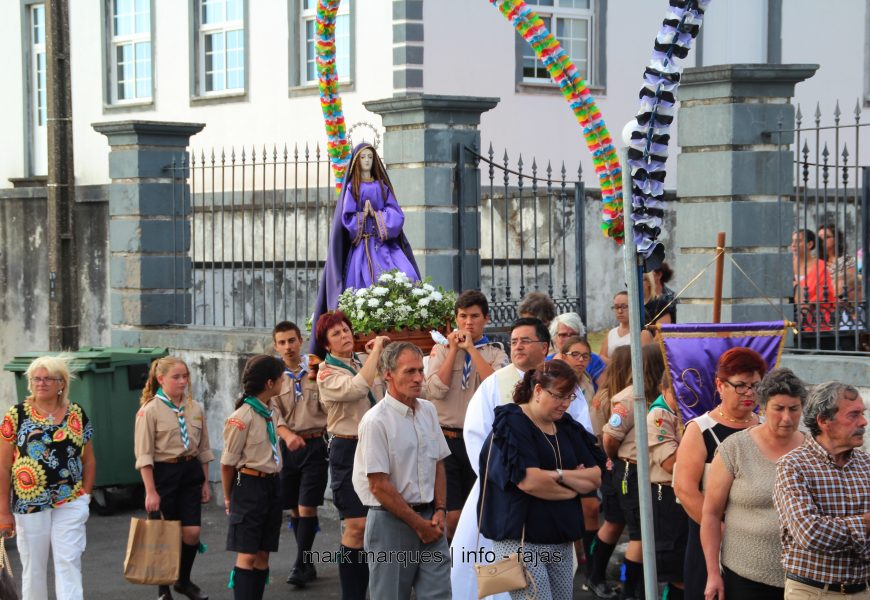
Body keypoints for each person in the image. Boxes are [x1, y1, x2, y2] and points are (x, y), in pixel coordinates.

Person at [451, 317, 593, 600]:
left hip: (554, 498)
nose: (517, 346)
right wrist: (505, 477)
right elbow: (477, 435)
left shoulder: (564, 385)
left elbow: (582, 435)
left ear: (545, 346)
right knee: (496, 571)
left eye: (525, 340)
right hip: (503, 494)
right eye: (513, 341)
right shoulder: (494, 385)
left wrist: (563, 476)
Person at [479, 360, 603, 600]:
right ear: (537, 390)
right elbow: (529, 481)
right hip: (522, 540)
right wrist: (570, 481)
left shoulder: (567, 426)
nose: (565, 404)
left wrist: (556, 476)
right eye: (559, 396)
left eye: (570, 397)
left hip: (560, 537)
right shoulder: (512, 423)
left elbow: (596, 476)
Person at [353, 342, 452, 599]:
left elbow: (438, 462)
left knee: (439, 595)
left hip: (431, 519)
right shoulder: (376, 421)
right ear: (388, 374)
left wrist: (440, 509)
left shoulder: (428, 410)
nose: (419, 378)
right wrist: (419, 524)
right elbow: (379, 486)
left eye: (421, 370)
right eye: (410, 371)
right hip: (390, 524)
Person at [701, 368, 808, 600]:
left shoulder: (813, 450)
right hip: (746, 578)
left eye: (794, 409)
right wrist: (712, 574)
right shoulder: (735, 449)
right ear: (763, 407)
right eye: (779, 409)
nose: (787, 418)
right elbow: (710, 514)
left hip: (804, 580)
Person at [673, 347, 767, 600]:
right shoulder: (700, 430)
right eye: (740, 385)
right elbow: (685, 489)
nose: (749, 393)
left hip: (757, 542)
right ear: (720, 385)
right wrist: (720, 529)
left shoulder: (765, 427)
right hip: (711, 539)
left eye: (755, 385)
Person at [310, 143, 421, 352]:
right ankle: (364, 330)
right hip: (362, 248)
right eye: (363, 158)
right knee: (360, 284)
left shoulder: (382, 187)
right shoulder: (353, 188)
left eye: (370, 157)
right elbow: (348, 219)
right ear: (357, 162)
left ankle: (403, 325)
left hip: (385, 247)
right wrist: (363, 216)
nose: (367, 161)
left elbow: (396, 215)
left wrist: (377, 216)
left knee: (405, 275)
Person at [0, 356, 95, 600]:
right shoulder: (16, 415)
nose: (41, 383)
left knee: (69, 561)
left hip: (71, 500)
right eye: (36, 379)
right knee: (34, 567)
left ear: (61, 383)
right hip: (30, 503)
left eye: (48, 379)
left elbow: (89, 459)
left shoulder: (76, 414)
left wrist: (86, 493)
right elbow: (2, 467)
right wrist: (3, 511)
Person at [425, 290, 509, 539]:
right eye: (463, 316)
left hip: (480, 441)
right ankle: (452, 565)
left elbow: (495, 388)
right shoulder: (440, 351)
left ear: (486, 318)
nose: (468, 322)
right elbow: (435, 390)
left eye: (474, 316)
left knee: (479, 509)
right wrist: (453, 350)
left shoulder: (495, 352)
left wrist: (472, 350)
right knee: (452, 514)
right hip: (446, 439)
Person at [774, 381, 870, 600]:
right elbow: (809, 532)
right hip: (813, 592)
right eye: (853, 415)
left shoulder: (867, 465)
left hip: (862, 591)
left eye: (862, 414)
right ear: (824, 421)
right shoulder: (792, 466)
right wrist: (865, 523)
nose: (864, 422)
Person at [315, 310, 387, 600]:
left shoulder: (359, 361)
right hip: (348, 447)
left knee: (376, 524)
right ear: (326, 344)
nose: (344, 336)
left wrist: (374, 358)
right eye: (336, 334)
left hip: (375, 444)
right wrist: (377, 352)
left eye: (346, 330)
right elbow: (358, 389)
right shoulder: (326, 372)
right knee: (356, 526)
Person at [134, 356, 214, 600]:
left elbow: (203, 448)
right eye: (176, 377)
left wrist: (205, 481)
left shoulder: (194, 408)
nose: (182, 381)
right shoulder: (149, 411)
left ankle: (183, 580)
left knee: (192, 532)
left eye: (185, 376)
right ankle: (163, 589)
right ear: (161, 380)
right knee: (164, 533)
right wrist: (150, 491)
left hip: (190, 471)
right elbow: (144, 455)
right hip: (163, 473)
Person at [221, 354, 298, 600]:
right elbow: (227, 464)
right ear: (269, 383)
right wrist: (228, 497)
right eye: (281, 378)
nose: (284, 381)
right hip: (249, 486)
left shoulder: (270, 410)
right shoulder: (241, 418)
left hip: (272, 484)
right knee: (247, 553)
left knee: (263, 553)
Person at [602, 344, 666, 600]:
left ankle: (636, 587)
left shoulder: (660, 398)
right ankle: (629, 590)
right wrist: (617, 458)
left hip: (649, 470)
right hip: (630, 469)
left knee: (646, 531)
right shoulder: (629, 398)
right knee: (639, 534)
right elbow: (610, 436)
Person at [270, 321, 328, 587]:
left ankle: (300, 563)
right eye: (281, 342)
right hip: (287, 446)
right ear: (275, 346)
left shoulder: (317, 367)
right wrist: (286, 435)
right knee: (293, 506)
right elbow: (272, 411)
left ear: (301, 340)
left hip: (315, 444)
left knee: (307, 505)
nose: (287, 347)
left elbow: (330, 402)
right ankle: (306, 562)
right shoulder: (273, 376)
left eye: (291, 341)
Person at [586, 345, 632, 599]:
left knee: (620, 522)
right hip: (611, 466)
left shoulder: (616, 395)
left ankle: (598, 575)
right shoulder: (607, 398)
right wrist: (610, 459)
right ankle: (594, 575)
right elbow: (600, 436)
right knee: (614, 522)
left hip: (614, 466)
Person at [558, 335, 600, 577]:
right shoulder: (556, 380)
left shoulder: (586, 381)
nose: (581, 360)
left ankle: (591, 564)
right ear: (563, 356)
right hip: (565, 451)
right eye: (575, 354)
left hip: (585, 449)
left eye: (586, 356)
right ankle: (575, 552)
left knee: (591, 506)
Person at [647, 370, 687, 600]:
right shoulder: (659, 415)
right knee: (675, 568)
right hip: (667, 494)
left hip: (683, 492)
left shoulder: (681, 411)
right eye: (677, 392)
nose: (683, 398)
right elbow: (671, 464)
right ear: (664, 390)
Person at [791, 229, 835, 332]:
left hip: (815, 322)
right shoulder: (787, 265)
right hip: (788, 320)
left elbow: (825, 295)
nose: (793, 244)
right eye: (792, 241)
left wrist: (798, 291)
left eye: (798, 241)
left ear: (810, 244)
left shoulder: (821, 266)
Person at [549, 312, 607, 386]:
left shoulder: (592, 360)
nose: (568, 339)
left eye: (573, 334)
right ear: (554, 338)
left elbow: (604, 388)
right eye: (563, 335)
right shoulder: (547, 362)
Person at [599, 291, 653, 360]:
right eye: (616, 307)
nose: (620, 311)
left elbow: (645, 360)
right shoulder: (611, 333)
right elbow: (601, 357)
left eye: (624, 306)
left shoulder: (642, 334)